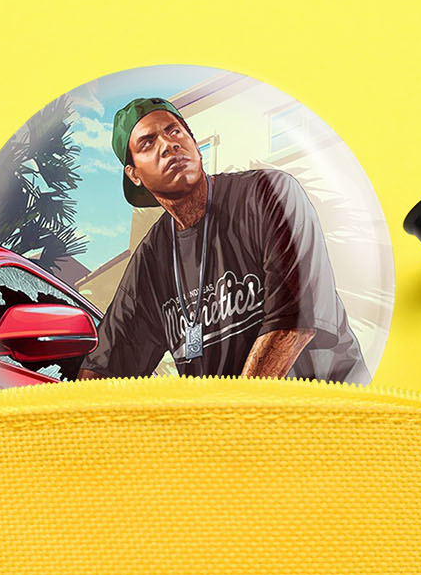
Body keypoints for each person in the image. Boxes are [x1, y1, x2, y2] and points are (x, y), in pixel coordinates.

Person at [76, 97, 367, 381]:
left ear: (195, 145)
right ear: (134, 175)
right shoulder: (153, 258)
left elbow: (293, 323)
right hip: (230, 411)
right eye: (148, 143)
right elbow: (106, 367)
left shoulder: (269, 195)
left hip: (329, 405)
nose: (168, 145)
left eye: (174, 131)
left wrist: (233, 409)